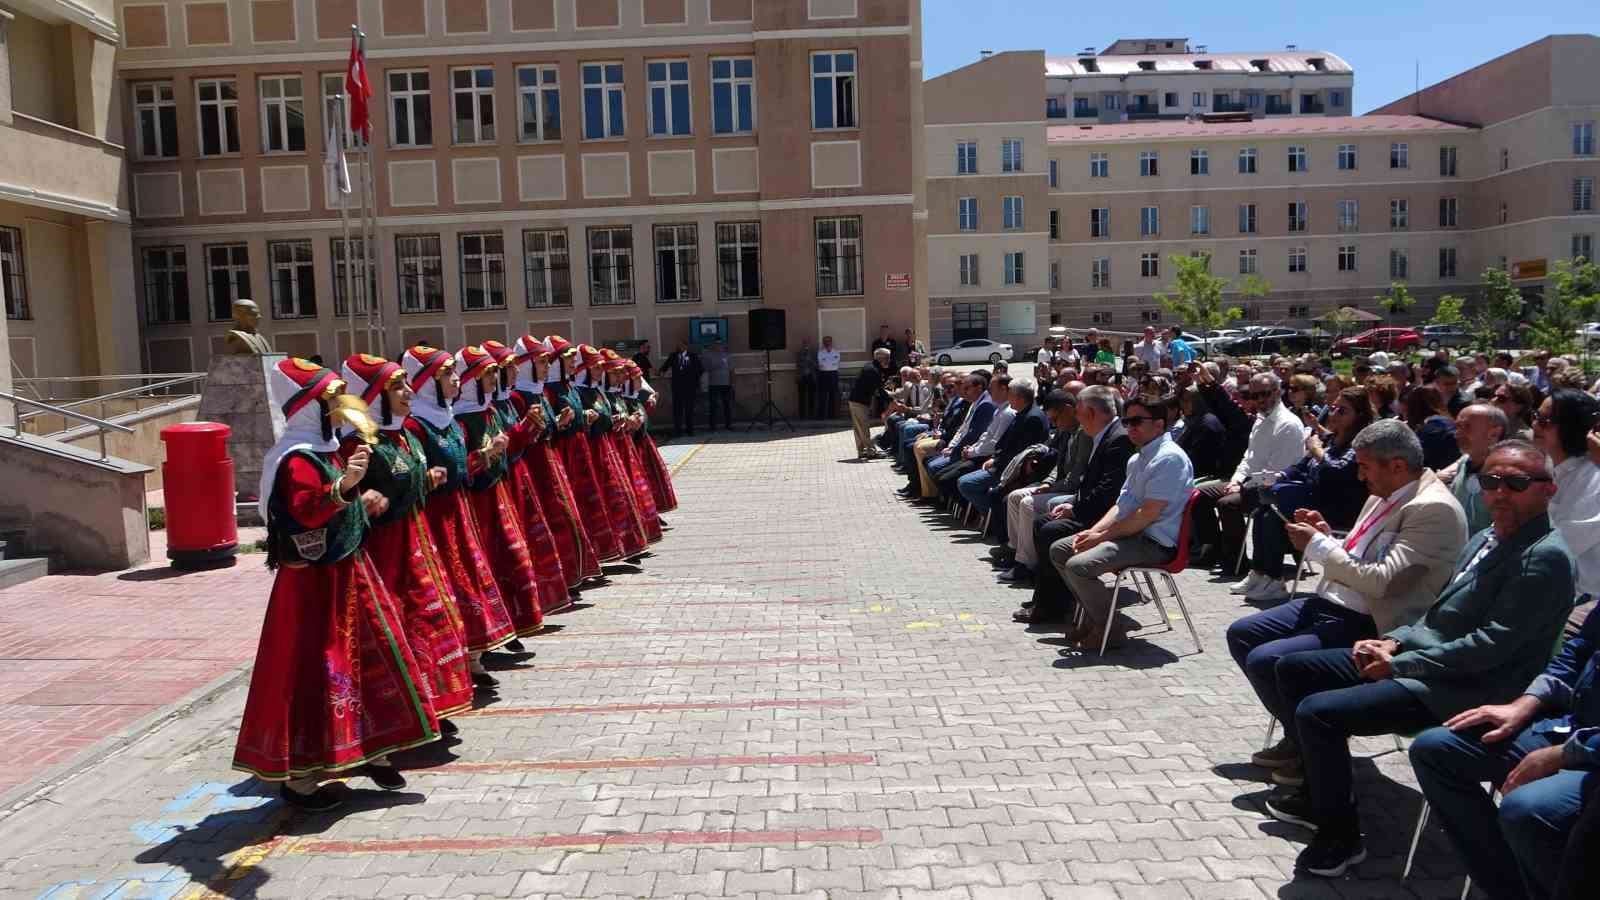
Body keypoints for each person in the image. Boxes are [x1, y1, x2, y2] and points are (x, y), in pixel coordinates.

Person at [1263, 441, 1575, 877]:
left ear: (1548, 490)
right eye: (1491, 481)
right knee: (1292, 668)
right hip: (1424, 660)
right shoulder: (1486, 536)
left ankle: (1340, 836)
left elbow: (1491, 647)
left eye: (1517, 483)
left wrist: (1400, 663)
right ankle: (1324, 790)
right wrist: (1391, 641)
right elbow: (1436, 615)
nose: (1501, 493)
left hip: (1468, 687)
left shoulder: (1544, 557)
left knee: (1319, 713)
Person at [233, 357, 440, 810]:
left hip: (348, 572)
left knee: (374, 659)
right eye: (330, 402)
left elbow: (339, 510)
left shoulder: (325, 452)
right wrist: (345, 489)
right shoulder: (294, 460)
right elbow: (306, 510)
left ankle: (374, 749)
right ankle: (302, 779)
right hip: (313, 588)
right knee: (315, 671)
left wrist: (361, 502)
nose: (341, 409)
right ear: (309, 407)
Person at [1228, 419, 1466, 784]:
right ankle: (1302, 739)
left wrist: (1319, 548)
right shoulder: (1384, 493)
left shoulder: (1432, 509)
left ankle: (1311, 751)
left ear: (1397, 466)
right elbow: (1362, 556)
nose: (1359, 476)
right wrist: (1328, 537)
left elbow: (1382, 582)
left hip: (1371, 620)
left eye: (1365, 466)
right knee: (1243, 633)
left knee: (1269, 659)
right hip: (1334, 602)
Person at [1409, 603, 1599, 900]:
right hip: (1573, 725)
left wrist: (1566, 754)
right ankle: (1508, 888)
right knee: (1436, 749)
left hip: (1591, 755)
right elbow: (1579, 650)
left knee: (1527, 811)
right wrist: (1524, 704)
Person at [338, 353, 474, 730]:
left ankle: (431, 706)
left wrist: (424, 481)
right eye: (397, 386)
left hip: (416, 546)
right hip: (386, 558)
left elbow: (405, 487)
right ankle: (400, 717)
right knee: (398, 631)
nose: (408, 392)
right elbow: (342, 506)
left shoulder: (402, 436)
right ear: (374, 394)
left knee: (430, 624)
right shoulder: (358, 447)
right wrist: (362, 505)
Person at [400, 344, 519, 670]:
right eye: (447, 375)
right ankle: (457, 661)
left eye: (455, 372)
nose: (457, 380)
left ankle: (474, 654)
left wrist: (486, 456)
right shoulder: (415, 426)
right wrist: (484, 456)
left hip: (458, 511)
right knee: (448, 584)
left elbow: (461, 468)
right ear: (427, 382)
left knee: (468, 577)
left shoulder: (448, 419)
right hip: (435, 518)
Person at [1055, 395, 1194, 650]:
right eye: (1127, 421)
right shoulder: (1137, 458)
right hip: (1133, 534)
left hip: (1155, 542)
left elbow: (1146, 514)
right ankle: (1098, 620)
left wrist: (1101, 537)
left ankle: (1110, 629)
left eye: (1137, 421)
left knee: (1077, 566)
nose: (1130, 427)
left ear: (1160, 424)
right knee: (1061, 548)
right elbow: (1122, 506)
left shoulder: (1169, 458)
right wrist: (1092, 531)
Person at [1236, 387, 1376, 602]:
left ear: (1359, 415)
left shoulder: (1359, 443)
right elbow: (1301, 466)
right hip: (1315, 500)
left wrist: (1317, 450)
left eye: (1342, 411)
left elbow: (1338, 471)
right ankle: (1260, 573)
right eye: (1334, 408)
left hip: (1339, 508)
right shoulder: (1332, 438)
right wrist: (1279, 476)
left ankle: (1275, 579)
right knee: (1262, 512)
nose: (1334, 414)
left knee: (1274, 518)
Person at [452, 344, 548, 639]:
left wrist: (526, 429)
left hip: (501, 493)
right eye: (489, 373)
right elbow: (458, 469)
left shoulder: (491, 410)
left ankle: (513, 623)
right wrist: (485, 455)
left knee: (511, 557)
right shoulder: (459, 419)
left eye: (496, 372)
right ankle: (491, 631)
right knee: (488, 562)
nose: (496, 379)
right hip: (477, 504)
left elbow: (509, 446)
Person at [1014, 386, 1133, 619]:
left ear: (1089, 412)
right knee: (1042, 523)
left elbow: (1108, 492)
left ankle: (1052, 606)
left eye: (1078, 413)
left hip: (1106, 518)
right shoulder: (1103, 435)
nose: (1077, 419)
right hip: (1093, 508)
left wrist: (1075, 508)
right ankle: (1049, 598)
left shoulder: (1117, 439)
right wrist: (1072, 505)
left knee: (1050, 530)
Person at [1196, 373, 1308, 579]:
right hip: (1249, 482)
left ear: (1277, 392)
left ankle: (1236, 563)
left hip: (1275, 488)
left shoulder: (1288, 424)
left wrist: (1243, 486)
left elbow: (1278, 472)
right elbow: (1248, 457)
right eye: (1253, 395)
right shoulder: (1260, 419)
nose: (1258, 400)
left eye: (1264, 394)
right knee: (1199, 495)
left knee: (1227, 503)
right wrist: (1236, 480)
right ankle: (1214, 550)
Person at [993, 389, 1090, 579]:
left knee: (1028, 503)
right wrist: (1047, 483)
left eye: (1055, 418)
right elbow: (1058, 465)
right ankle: (1015, 552)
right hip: (1059, 485)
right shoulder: (1064, 431)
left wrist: (1051, 487)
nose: (1053, 424)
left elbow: (1077, 474)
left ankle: (1026, 563)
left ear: (1069, 409)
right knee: (1015, 496)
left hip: (1073, 490)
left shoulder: (1083, 434)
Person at [1536, 389, 1600, 602]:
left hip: (1581, 598)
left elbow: (1562, 545)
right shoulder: (1545, 465)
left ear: (1571, 426)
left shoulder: (1594, 477)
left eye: (1545, 421)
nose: (1535, 425)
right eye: (1535, 417)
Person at [958, 378, 1047, 516]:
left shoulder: (1032, 418)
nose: (1008, 398)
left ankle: (994, 517)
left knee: (966, 484)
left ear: (1019, 397)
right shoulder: (1022, 413)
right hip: (1001, 463)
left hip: (1012, 470)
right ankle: (994, 517)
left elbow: (1019, 452)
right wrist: (994, 458)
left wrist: (997, 463)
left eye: (1010, 394)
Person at [1438, 402, 1510, 537]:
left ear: (1494, 433)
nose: (1457, 434)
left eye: (1466, 427)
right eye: (1457, 426)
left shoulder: (1508, 474)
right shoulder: (1464, 464)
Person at [847, 348, 893, 458]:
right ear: (881, 358)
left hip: (856, 400)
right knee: (863, 427)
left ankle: (862, 451)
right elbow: (880, 391)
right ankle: (871, 452)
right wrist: (892, 402)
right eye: (888, 358)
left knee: (859, 427)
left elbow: (877, 388)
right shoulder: (873, 370)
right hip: (859, 401)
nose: (889, 360)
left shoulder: (872, 366)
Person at [659, 341, 703, 437]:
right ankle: (678, 430)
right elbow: (665, 366)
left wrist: (694, 380)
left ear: (687, 346)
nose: (681, 347)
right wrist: (661, 372)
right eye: (679, 345)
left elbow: (700, 369)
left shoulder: (693, 356)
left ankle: (690, 430)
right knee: (677, 409)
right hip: (677, 386)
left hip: (689, 387)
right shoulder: (673, 356)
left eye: (683, 345)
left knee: (689, 408)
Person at [703, 341, 733, 430]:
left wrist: (732, 383)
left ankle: (728, 425)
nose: (719, 346)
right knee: (713, 405)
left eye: (720, 344)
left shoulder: (727, 355)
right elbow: (705, 368)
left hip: (726, 384)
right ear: (713, 345)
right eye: (716, 344)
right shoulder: (709, 355)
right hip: (713, 384)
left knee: (727, 404)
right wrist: (715, 365)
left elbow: (732, 370)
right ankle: (712, 426)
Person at [816, 336, 842, 418]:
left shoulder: (836, 352)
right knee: (822, 395)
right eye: (825, 341)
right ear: (823, 343)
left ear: (831, 342)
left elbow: (836, 363)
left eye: (829, 341)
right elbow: (821, 363)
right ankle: (822, 415)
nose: (827, 343)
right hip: (823, 374)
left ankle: (832, 415)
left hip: (833, 374)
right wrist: (829, 363)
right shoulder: (820, 352)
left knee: (833, 395)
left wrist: (827, 362)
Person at [797, 338, 818, 419]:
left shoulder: (814, 353)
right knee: (801, 396)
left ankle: (811, 414)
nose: (806, 344)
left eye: (807, 343)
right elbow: (798, 364)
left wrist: (811, 361)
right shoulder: (799, 353)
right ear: (803, 344)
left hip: (811, 376)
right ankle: (802, 414)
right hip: (802, 376)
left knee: (811, 396)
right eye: (804, 343)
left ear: (810, 344)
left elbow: (817, 365)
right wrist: (803, 362)